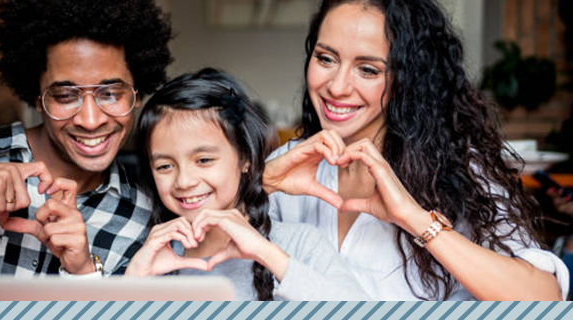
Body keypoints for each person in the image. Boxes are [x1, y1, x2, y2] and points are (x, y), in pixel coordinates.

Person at [262, 0, 569, 300]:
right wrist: (262, 183)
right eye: (326, 58)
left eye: (368, 69)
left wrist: (415, 219)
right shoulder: (284, 166)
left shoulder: (459, 170)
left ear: (407, 78)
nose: (337, 86)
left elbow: (544, 300)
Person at [0, 0, 172, 276]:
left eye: (110, 93)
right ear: (38, 98)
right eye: (66, 96)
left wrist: (83, 272)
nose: (91, 121)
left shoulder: (143, 221)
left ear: (137, 95)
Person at [124, 68, 366, 300]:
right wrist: (134, 284)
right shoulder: (156, 257)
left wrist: (266, 254)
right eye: (165, 166)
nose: (184, 181)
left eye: (204, 160)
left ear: (245, 159)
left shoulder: (300, 244)